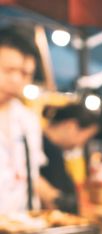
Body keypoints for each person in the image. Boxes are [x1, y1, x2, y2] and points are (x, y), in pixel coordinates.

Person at [0, 26, 51, 214]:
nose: (16, 79)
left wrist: (56, 198)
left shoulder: (27, 119)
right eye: (8, 70)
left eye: (25, 73)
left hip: (23, 227)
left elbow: (31, 175)